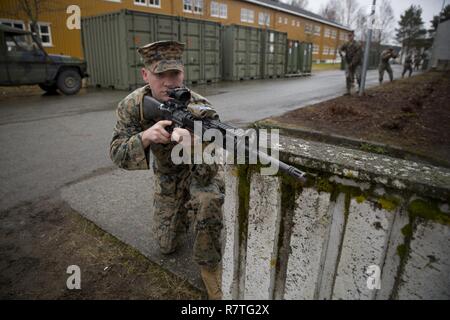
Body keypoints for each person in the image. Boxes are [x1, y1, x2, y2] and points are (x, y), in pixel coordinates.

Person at [109, 40, 224, 300]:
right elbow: (117, 152)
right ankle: (182, 214)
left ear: (184, 72)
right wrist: (146, 137)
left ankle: (210, 267)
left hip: (199, 174)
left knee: (208, 198)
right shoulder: (133, 106)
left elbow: (210, 171)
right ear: (145, 75)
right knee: (166, 246)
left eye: (176, 73)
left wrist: (197, 147)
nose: (170, 82)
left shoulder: (201, 108)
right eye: (161, 75)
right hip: (167, 178)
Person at [339, 31, 363, 95]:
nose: (349, 37)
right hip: (348, 63)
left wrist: (352, 64)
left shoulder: (358, 44)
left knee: (358, 76)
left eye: (351, 36)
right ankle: (348, 91)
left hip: (357, 64)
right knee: (348, 77)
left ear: (353, 36)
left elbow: (357, 56)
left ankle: (360, 89)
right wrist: (343, 56)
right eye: (348, 36)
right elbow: (340, 49)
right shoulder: (346, 44)